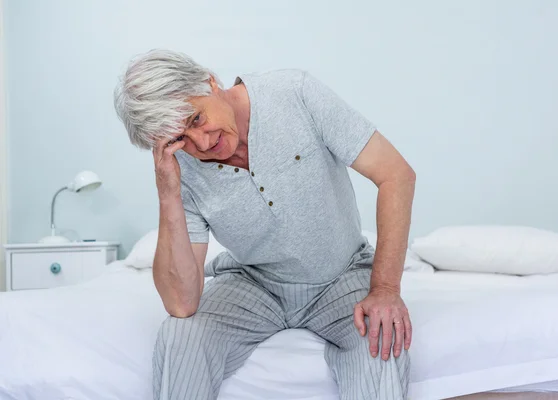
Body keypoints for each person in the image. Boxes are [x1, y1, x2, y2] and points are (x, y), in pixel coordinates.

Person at [114, 49, 416, 400]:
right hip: (255, 284)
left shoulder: (294, 93)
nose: (202, 143)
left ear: (210, 82)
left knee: (382, 343)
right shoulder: (181, 167)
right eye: (181, 140)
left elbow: (396, 175)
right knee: (179, 334)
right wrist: (168, 192)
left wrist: (385, 289)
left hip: (341, 275)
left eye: (196, 119)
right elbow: (182, 304)